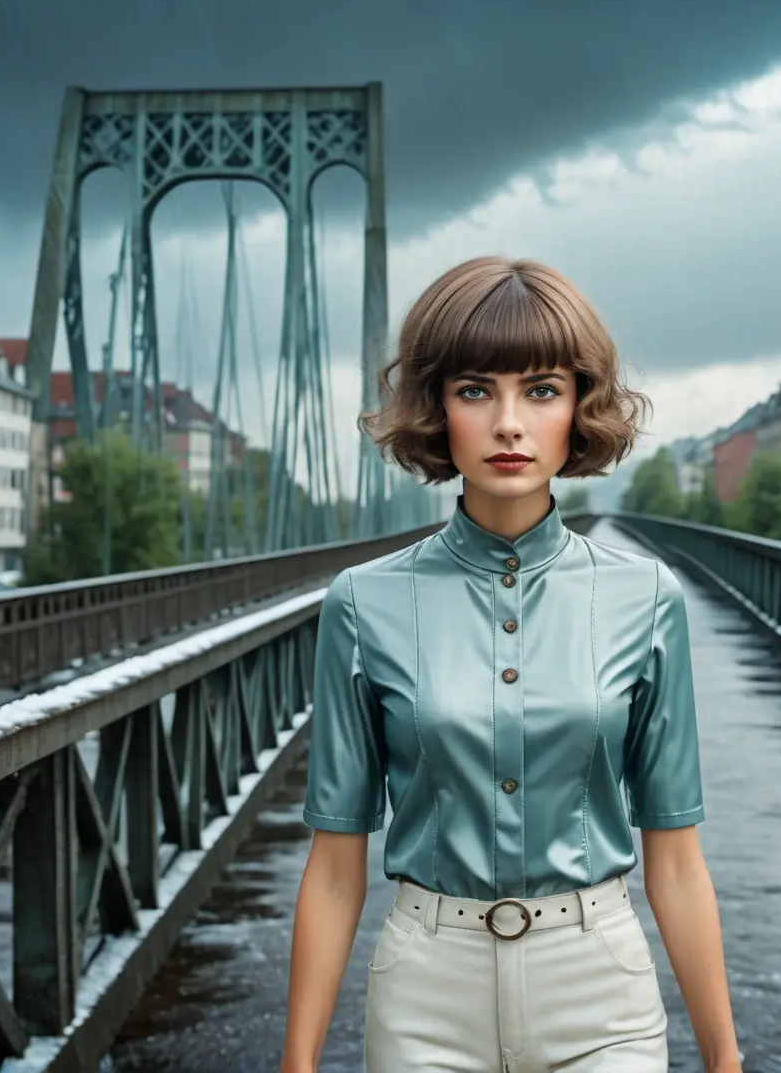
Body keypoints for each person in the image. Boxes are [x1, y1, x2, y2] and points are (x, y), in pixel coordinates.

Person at [279, 257, 741, 1073]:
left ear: (579, 407)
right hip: (426, 993)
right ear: (437, 408)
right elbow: (335, 868)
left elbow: (675, 861)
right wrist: (298, 1063)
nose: (508, 424)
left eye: (540, 389)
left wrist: (725, 1060)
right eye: (473, 389)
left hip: (601, 991)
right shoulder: (361, 604)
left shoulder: (646, 597)